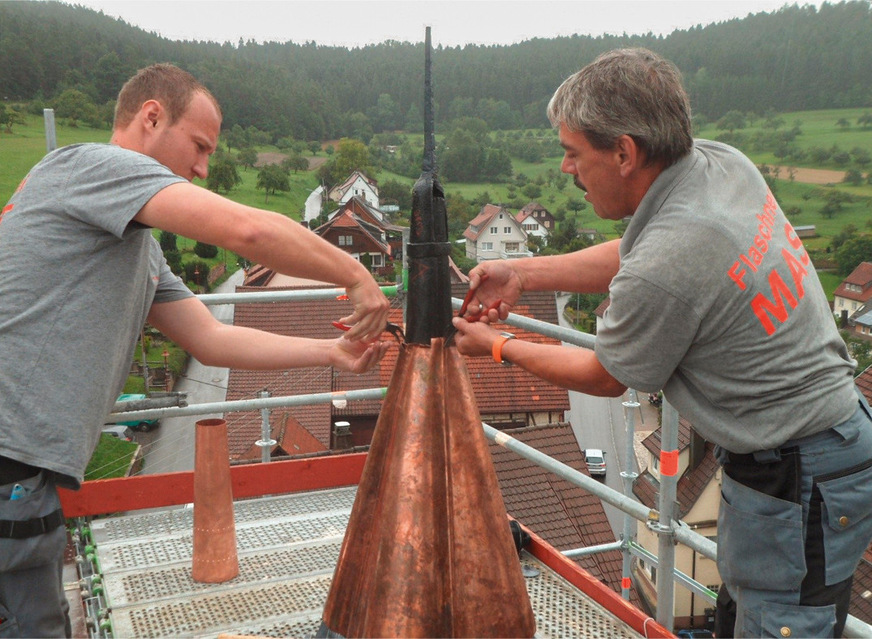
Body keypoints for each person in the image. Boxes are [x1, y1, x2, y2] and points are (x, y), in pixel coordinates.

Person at [452, 48, 872, 638]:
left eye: (574, 152)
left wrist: (496, 344)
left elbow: (605, 374)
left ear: (624, 152)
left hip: (798, 473)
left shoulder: (671, 256)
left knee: (778, 624)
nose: (567, 168)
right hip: (819, 448)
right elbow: (639, 253)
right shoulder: (718, 166)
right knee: (746, 617)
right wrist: (523, 273)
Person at [0, 63, 390, 637]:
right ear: (152, 117)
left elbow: (211, 338)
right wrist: (355, 273)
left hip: (24, 479)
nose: (204, 169)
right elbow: (248, 232)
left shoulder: (135, 246)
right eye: (200, 146)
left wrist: (331, 353)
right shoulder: (93, 166)